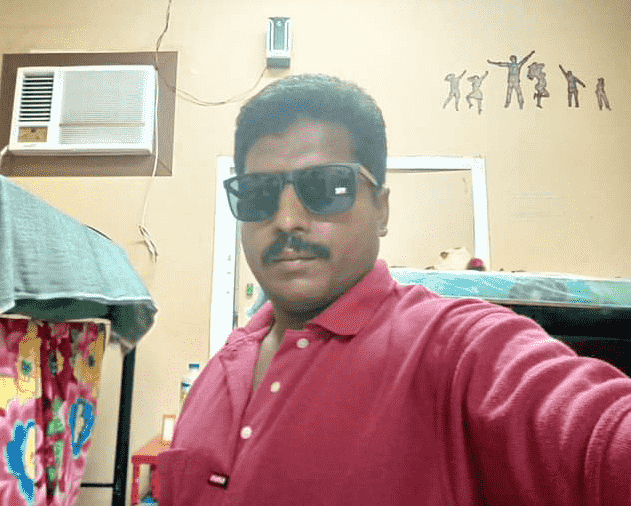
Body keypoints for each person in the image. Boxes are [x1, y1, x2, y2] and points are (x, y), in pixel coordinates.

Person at [158, 74, 631, 505]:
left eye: (326, 187)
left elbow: (600, 435)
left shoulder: (456, 348)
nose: (286, 220)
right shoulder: (214, 375)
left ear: (381, 209)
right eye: (259, 193)